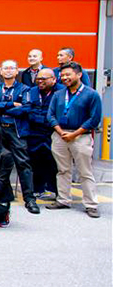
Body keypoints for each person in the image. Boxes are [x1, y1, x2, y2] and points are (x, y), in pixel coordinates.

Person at [46, 62, 101, 218]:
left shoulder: (91, 95)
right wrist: (60, 131)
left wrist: (74, 134)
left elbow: (94, 119)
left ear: (79, 74)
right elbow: (50, 115)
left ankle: (91, 204)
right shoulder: (58, 94)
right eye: (62, 75)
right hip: (60, 136)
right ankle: (63, 199)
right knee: (63, 170)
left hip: (80, 137)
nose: (64, 78)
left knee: (85, 171)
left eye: (68, 74)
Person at [0, 59, 40, 214]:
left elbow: (26, 109)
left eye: (11, 68)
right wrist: (10, 105)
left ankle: (29, 199)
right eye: (5, 68)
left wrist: (0, 107)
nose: (8, 71)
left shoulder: (25, 89)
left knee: (23, 164)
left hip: (16, 131)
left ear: (17, 71)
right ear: (1, 72)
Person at [24, 68, 64, 200]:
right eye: (38, 79)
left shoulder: (61, 91)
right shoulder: (32, 91)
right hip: (34, 132)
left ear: (53, 79)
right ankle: (37, 188)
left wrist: (42, 118)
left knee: (54, 162)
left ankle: (54, 189)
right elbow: (28, 108)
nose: (40, 81)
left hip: (53, 131)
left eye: (43, 79)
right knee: (35, 161)